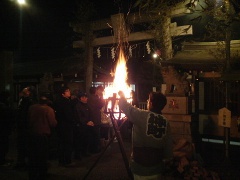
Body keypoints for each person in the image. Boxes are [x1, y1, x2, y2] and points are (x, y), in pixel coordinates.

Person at [118, 91, 173, 180]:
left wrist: (122, 96)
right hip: (157, 169)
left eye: (148, 100)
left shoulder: (141, 115)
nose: (147, 101)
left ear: (151, 103)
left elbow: (124, 106)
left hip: (140, 169)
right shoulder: (165, 121)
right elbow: (168, 149)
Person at [28, 95, 57, 180]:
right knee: (42, 156)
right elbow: (53, 123)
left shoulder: (31, 108)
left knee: (33, 156)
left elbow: (28, 119)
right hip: (43, 135)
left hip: (32, 134)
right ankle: (42, 174)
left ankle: (32, 174)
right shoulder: (48, 109)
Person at [54, 86, 75, 167]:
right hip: (66, 126)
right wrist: (72, 121)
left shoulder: (57, 101)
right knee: (67, 143)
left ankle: (61, 160)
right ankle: (67, 161)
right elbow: (68, 115)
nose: (69, 92)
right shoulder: (66, 102)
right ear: (63, 94)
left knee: (61, 143)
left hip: (60, 125)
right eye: (67, 91)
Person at [15, 86, 36, 168]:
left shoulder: (27, 101)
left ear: (28, 93)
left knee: (23, 144)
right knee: (24, 144)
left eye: (26, 90)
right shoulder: (25, 101)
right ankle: (23, 161)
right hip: (24, 126)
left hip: (24, 126)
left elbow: (24, 114)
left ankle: (22, 162)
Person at [73, 92, 94, 159]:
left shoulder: (87, 105)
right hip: (81, 126)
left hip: (87, 125)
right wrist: (86, 122)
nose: (86, 98)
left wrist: (90, 121)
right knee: (80, 141)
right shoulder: (78, 106)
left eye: (86, 97)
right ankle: (78, 155)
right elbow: (79, 117)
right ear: (81, 98)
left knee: (86, 139)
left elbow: (90, 113)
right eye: (84, 97)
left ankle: (85, 152)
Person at [87, 86, 105, 154]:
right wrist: (102, 97)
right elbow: (101, 104)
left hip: (89, 118)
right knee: (96, 135)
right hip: (96, 119)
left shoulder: (88, 98)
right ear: (95, 91)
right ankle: (95, 149)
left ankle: (90, 149)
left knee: (91, 135)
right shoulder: (96, 98)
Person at [0, 91, 15, 166]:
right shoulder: (4, 108)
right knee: (3, 144)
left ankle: (2, 158)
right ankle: (2, 160)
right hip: (4, 129)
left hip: (3, 129)